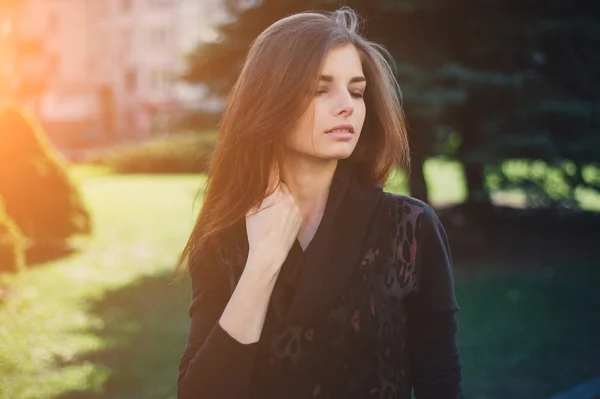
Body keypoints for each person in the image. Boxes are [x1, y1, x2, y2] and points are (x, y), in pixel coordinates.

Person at [176, 7, 463, 399]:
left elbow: (440, 383)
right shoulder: (224, 238)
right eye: (320, 88)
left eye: (357, 91)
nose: (347, 105)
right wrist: (263, 263)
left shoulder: (408, 229)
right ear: (270, 100)